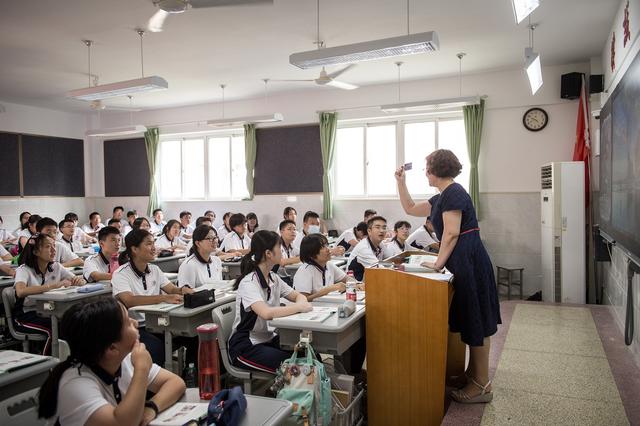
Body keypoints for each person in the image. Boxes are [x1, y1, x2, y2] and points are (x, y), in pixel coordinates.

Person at [395, 149, 501, 404]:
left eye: (427, 167)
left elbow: (451, 233)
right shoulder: (441, 196)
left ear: (435, 170)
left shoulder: (454, 192)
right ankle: (473, 373)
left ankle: (482, 384)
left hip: (468, 259)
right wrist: (401, 182)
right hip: (462, 259)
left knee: (476, 319)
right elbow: (410, 208)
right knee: (469, 317)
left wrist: (437, 263)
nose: (425, 172)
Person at [37, 298, 185, 425]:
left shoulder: (123, 359)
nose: (135, 322)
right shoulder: (75, 383)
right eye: (127, 322)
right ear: (112, 348)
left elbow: (175, 383)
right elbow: (121, 424)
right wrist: (142, 369)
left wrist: (151, 407)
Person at [228, 230, 312, 373]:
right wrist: (299, 307)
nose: (282, 252)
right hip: (247, 345)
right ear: (268, 254)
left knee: (311, 356)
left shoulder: (273, 277)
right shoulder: (249, 282)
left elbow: (298, 296)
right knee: (297, 369)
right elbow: (266, 313)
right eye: (279, 248)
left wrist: (300, 303)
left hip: (269, 339)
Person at [112, 229, 194, 365]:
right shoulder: (121, 274)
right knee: (156, 347)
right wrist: (163, 298)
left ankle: (191, 373)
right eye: (149, 244)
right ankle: (152, 382)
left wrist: (182, 290)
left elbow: (171, 289)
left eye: (154, 243)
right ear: (134, 249)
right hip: (137, 327)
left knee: (193, 336)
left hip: (159, 322)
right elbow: (129, 300)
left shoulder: (154, 269)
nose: (154, 248)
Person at [13, 233, 85, 354]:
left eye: (54, 246)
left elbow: (79, 280)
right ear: (35, 252)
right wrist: (52, 286)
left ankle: (74, 358)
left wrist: (79, 281)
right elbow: (20, 291)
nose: (53, 250)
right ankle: (51, 365)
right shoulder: (23, 269)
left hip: (51, 311)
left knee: (76, 322)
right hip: (27, 315)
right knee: (55, 328)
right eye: (48, 247)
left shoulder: (56, 266)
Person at [347, 216, 387, 281]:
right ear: (369, 231)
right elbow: (380, 269)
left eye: (384, 227)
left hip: (370, 280)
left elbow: (390, 259)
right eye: (377, 227)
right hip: (355, 286)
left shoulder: (381, 244)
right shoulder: (363, 248)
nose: (382, 231)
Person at [274, 220, 300, 285]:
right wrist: (298, 258)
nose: (293, 231)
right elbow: (282, 262)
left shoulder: (292, 245)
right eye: (289, 229)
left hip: (289, 277)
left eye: (294, 229)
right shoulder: (277, 245)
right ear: (281, 232)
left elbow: (302, 254)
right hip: (279, 279)